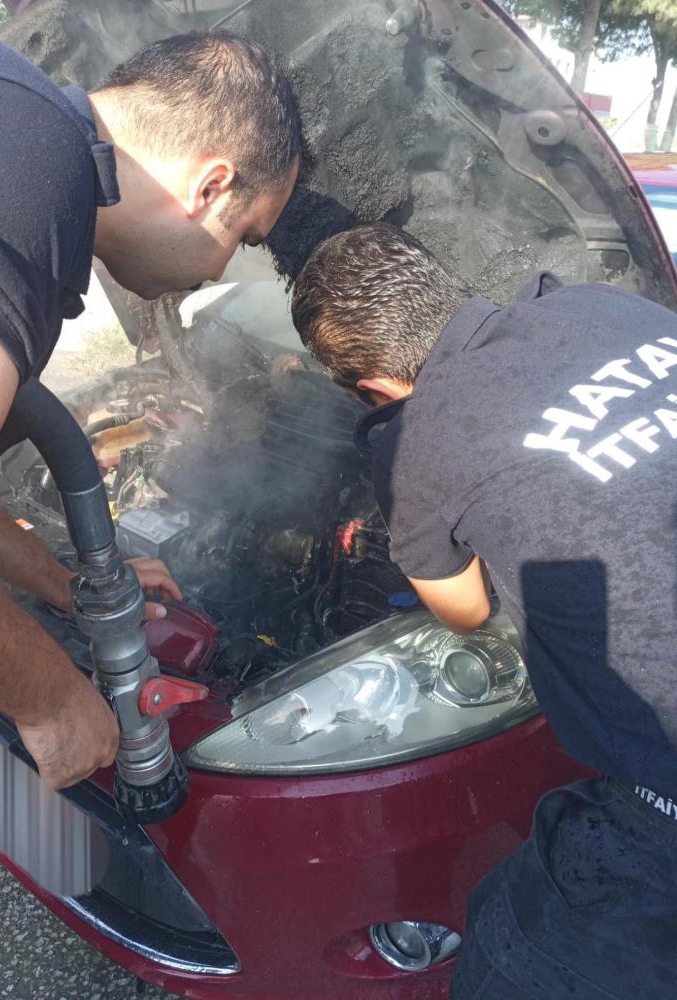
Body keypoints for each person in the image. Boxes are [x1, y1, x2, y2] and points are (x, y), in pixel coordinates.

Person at [0, 19, 300, 998]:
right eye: (242, 237)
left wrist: (53, 581)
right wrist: (46, 695)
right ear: (209, 186)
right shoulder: (22, 154)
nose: (220, 271)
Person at [290, 222, 677, 1000]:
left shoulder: (417, 437)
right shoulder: (605, 307)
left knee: (503, 955)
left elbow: (466, 609)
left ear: (371, 388)